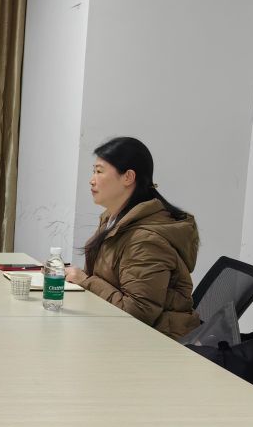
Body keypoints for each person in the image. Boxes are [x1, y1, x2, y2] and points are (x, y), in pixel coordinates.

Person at [64, 136, 201, 339]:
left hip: (157, 342)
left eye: (99, 171)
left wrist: (86, 281)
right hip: (117, 332)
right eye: (93, 171)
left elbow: (137, 314)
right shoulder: (115, 220)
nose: (92, 180)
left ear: (128, 177)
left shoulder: (145, 240)